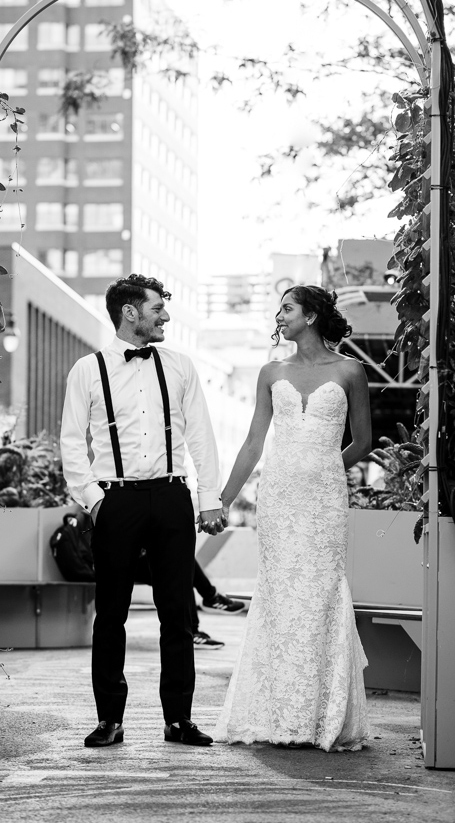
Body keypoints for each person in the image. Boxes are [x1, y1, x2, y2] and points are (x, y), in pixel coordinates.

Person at [60, 274, 225, 748]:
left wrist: (208, 497)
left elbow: (201, 435)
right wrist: (96, 501)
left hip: (172, 497)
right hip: (117, 500)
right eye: (158, 309)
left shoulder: (179, 365)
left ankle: (179, 720)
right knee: (111, 614)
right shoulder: (87, 370)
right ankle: (110, 718)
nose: (166, 316)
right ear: (130, 312)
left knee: (178, 612)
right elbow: (73, 442)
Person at [214, 285, 372, 751]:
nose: (279, 316)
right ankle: (275, 711)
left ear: (314, 316)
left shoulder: (351, 370)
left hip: (324, 500)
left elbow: (362, 442)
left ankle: (324, 715)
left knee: (322, 591)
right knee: (281, 592)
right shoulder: (270, 372)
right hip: (278, 497)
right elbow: (252, 444)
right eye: (279, 310)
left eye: (288, 308)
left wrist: (324, 467)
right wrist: (223, 500)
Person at [133, 552, 246, 650]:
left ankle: (196, 625)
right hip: (127, 562)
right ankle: (211, 599)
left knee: (181, 560)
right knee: (179, 564)